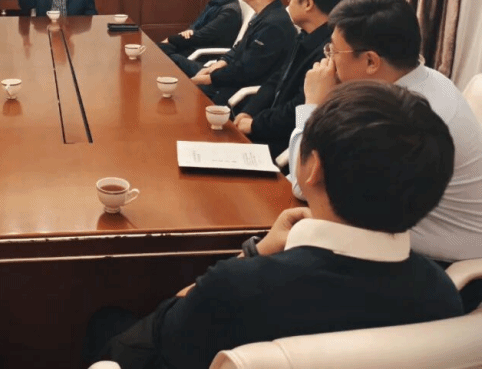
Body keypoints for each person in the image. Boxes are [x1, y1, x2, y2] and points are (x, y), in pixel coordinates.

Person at [85, 81, 462, 369]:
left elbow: (150, 340)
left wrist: (255, 252)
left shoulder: (239, 288)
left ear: (313, 168)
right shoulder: (442, 294)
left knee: (108, 324)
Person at [287, 0, 482, 264]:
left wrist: (312, 104)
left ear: (371, 61)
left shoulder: (397, 119)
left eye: (334, 51)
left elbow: (306, 184)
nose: (329, 61)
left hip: (439, 260)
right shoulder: (426, 79)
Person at [234, 0, 346, 158]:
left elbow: (299, 107)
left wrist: (255, 124)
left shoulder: (329, 53)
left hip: (287, 145)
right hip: (266, 127)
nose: (287, 5)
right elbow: (276, 79)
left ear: (308, 3)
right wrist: (249, 112)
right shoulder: (304, 36)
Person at [169, 0, 296, 106]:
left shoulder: (274, 25)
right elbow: (239, 47)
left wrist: (210, 78)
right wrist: (221, 63)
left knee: (182, 96)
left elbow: (246, 71)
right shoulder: (263, 15)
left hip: (239, 91)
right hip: (228, 76)